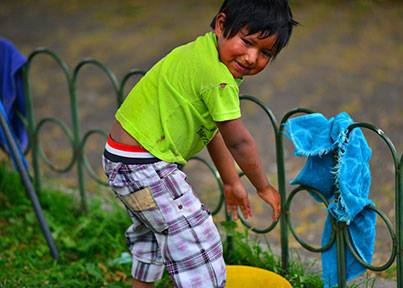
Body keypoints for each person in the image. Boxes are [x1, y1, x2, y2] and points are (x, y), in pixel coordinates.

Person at [102, 0, 297, 287]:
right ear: (221, 24)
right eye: (247, 42)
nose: (252, 58)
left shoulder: (200, 54)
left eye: (265, 52)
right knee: (198, 238)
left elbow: (212, 129)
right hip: (144, 164)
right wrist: (263, 186)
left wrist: (231, 181)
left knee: (157, 234)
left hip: (124, 160)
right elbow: (239, 142)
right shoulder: (216, 77)